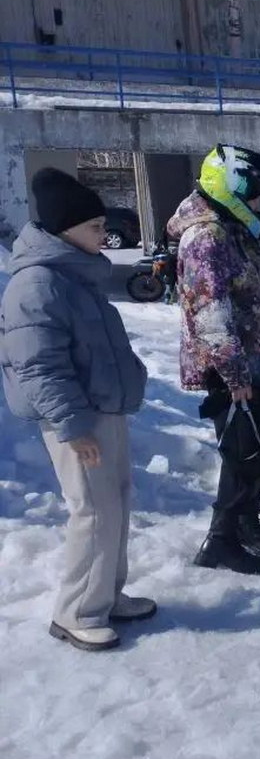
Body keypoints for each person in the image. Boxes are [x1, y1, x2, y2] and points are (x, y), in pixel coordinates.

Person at [0, 168, 153, 651]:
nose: (104, 235)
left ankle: (105, 596)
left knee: (115, 504)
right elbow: (38, 366)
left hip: (104, 410)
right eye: (94, 227)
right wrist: (73, 426)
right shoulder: (37, 285)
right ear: (66, 230)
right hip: (77, 418)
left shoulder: (73, 277)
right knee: (93, 512)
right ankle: (76, 612)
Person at [168, 144, 260, 575]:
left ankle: (245, 524)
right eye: (256, 194)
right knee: (242, 455)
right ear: (231, 188)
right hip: (232, 368)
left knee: (257, 452)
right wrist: (234, 373)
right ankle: (219, 541)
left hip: (254, 359)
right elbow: (209, 311)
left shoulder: (235, 228)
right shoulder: (206, 237)